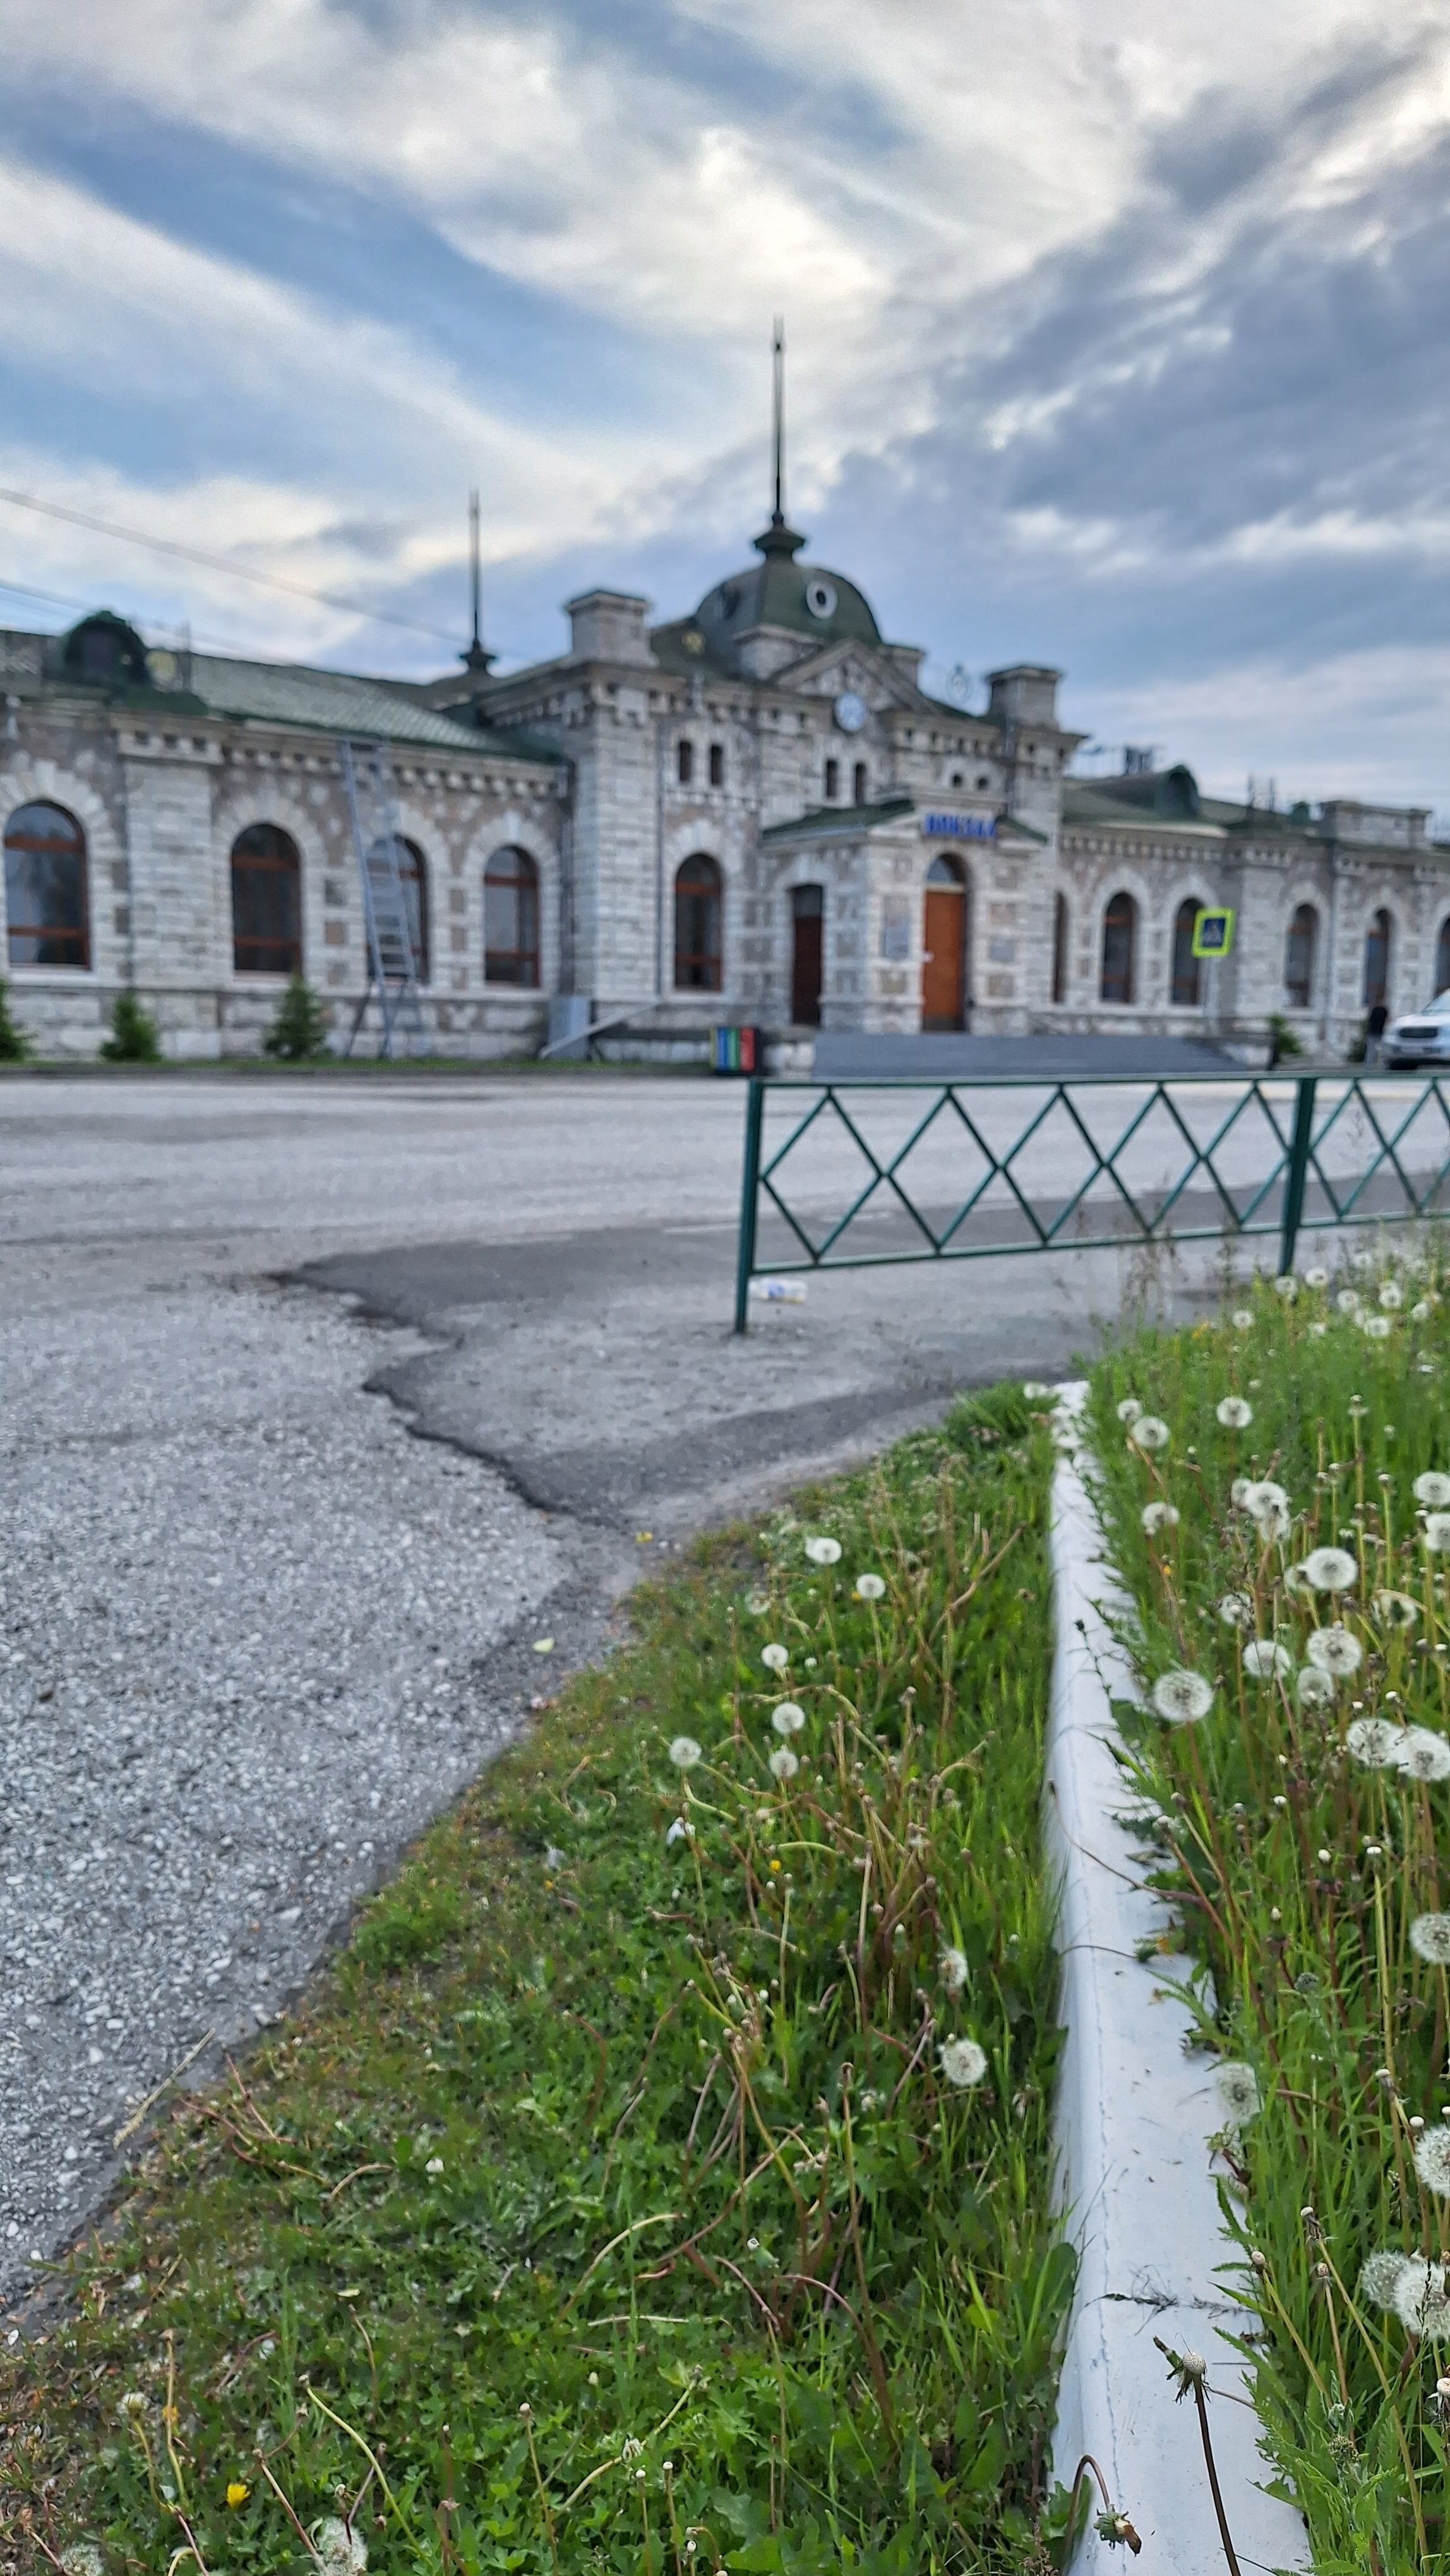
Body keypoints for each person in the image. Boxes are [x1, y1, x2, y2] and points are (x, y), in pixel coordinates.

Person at [1365, 1001, 1389, 1067]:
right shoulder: (1383, 1010)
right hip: (1379, 1032)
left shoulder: (1376, 1010)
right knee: (1380, 1050)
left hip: (1374, 1032)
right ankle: (1381, 1065)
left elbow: (1370, 1021)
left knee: (1371, 1050)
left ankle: (1369, 1065)